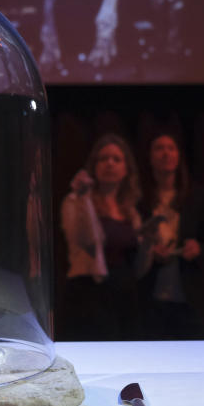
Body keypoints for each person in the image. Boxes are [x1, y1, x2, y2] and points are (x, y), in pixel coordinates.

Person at [59, 134, 143, 339]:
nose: (109, 164)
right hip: (89, 294)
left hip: (124, 295)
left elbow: (139, 262)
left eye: (116, 159)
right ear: (94, 166)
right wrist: (83, 198)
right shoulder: (76, 201)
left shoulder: (130, 210)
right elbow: (85, 241)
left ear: (126, 168)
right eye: (103, 158)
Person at [136, 133, 204, 339]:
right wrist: (151, 252)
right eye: (159, 148)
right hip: (150, 297)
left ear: (179, 156)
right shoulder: (139, 199)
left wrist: (198, 248)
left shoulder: (196, 196)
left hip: (189, 296)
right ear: (150, 157)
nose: (165, 153)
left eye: (171, 148)